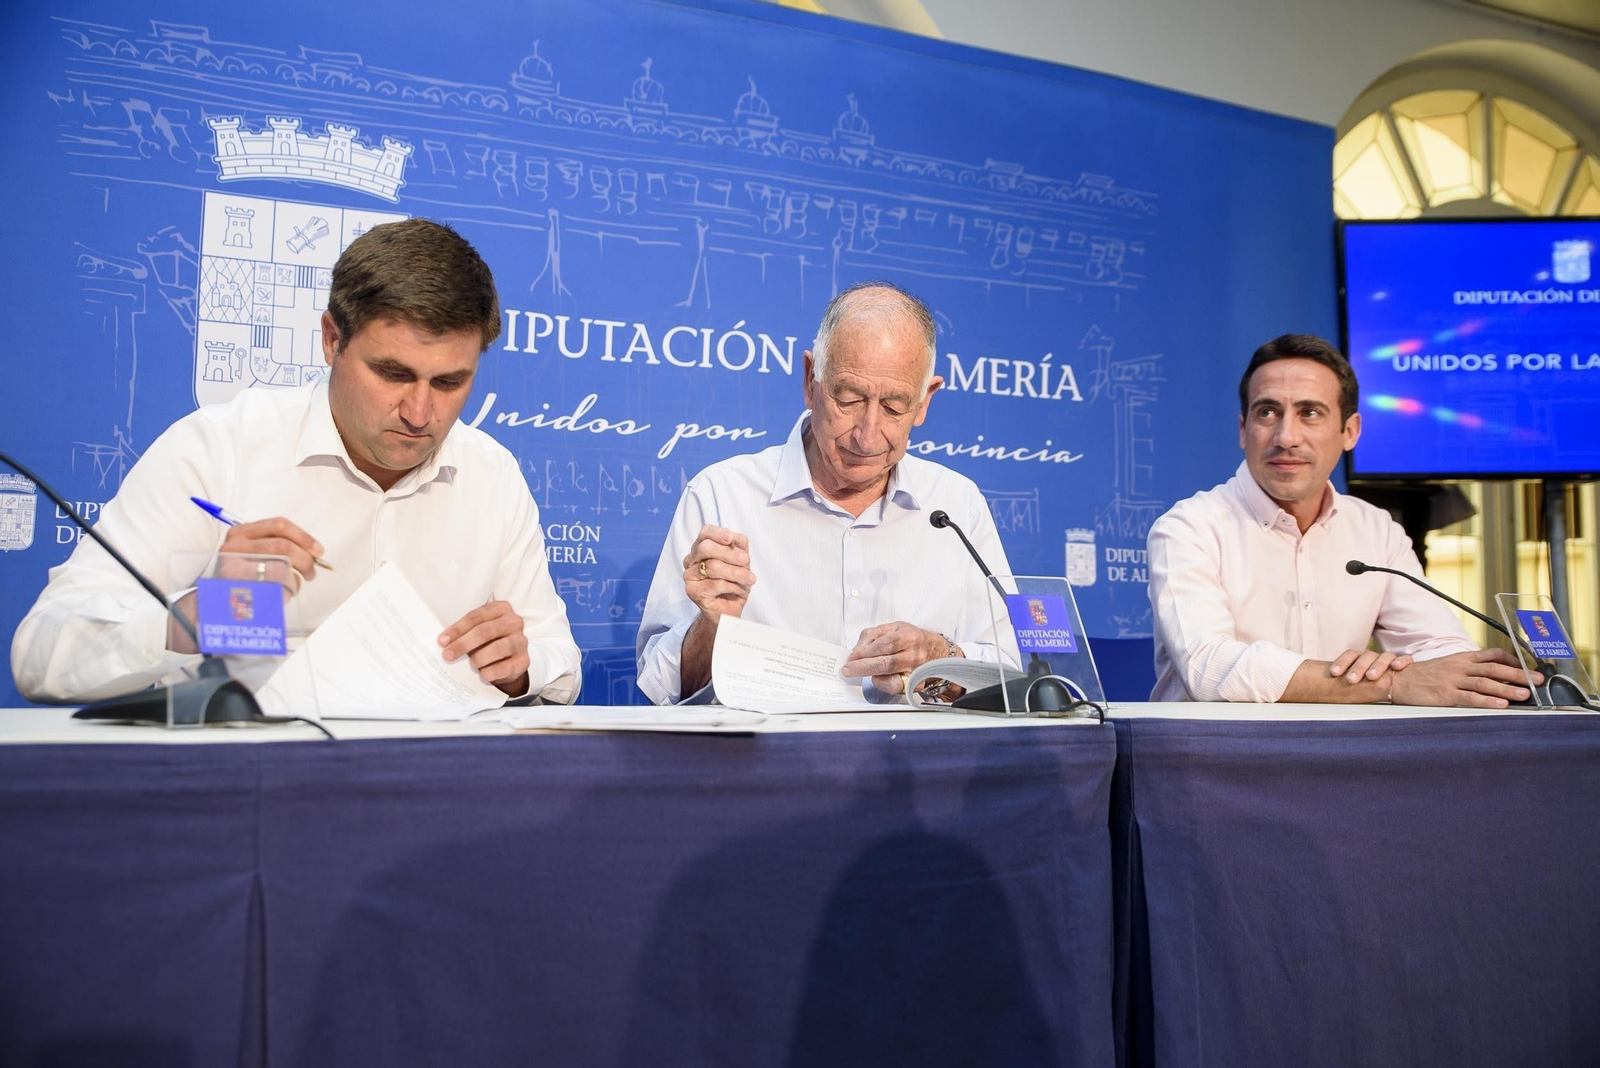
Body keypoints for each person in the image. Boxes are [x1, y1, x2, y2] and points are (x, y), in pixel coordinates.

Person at [12, 219, 581, 704]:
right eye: (393, 373)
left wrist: (519, 667)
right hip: (244, 786)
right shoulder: (220, 447)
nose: (419, 412)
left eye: (451, 382)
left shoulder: (492, 473)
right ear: (332, 340)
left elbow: (561, 664)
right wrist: (202, 615)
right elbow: (41, 655)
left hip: (427, 794)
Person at [635, 281, 1012, 705]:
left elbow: (1018, 673)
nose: (868, 436)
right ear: (811, 380)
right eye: (849, 399)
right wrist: (712, 626)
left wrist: (941, 659)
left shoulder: (958, 506)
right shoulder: (722, 495)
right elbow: (662, 689)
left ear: (924, 402)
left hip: (913, 767)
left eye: (894, 407)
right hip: (761, 765)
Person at [1146, 333, 1537, 707]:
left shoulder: (1375, 529)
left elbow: (1440, 649)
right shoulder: (1189, 527)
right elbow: (1210, 668)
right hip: (1212, 761)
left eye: (1310, 413)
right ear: (1243, 430)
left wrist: (1455, 675)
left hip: (1343, 755)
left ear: (1349, 431)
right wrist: (1392, 682)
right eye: (1267, 412)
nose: (1286, 436)